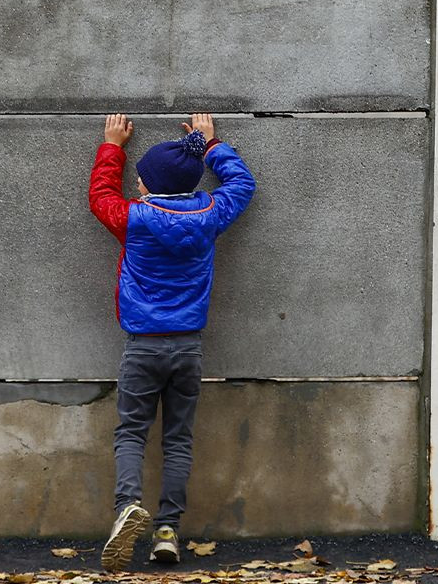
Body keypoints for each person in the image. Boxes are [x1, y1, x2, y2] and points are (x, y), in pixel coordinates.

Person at [88, 112, 255, 570]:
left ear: (149, 186)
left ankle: (126, 507)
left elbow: (100, 196)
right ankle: (167, 530)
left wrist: (112, 147)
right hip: (188, 347)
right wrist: (211, 144)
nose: (135, 184)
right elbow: (242, 186)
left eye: (140, 179)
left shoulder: (134, 218)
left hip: (142, 345)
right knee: (178, 438)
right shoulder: (209, 215)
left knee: (131, 432)